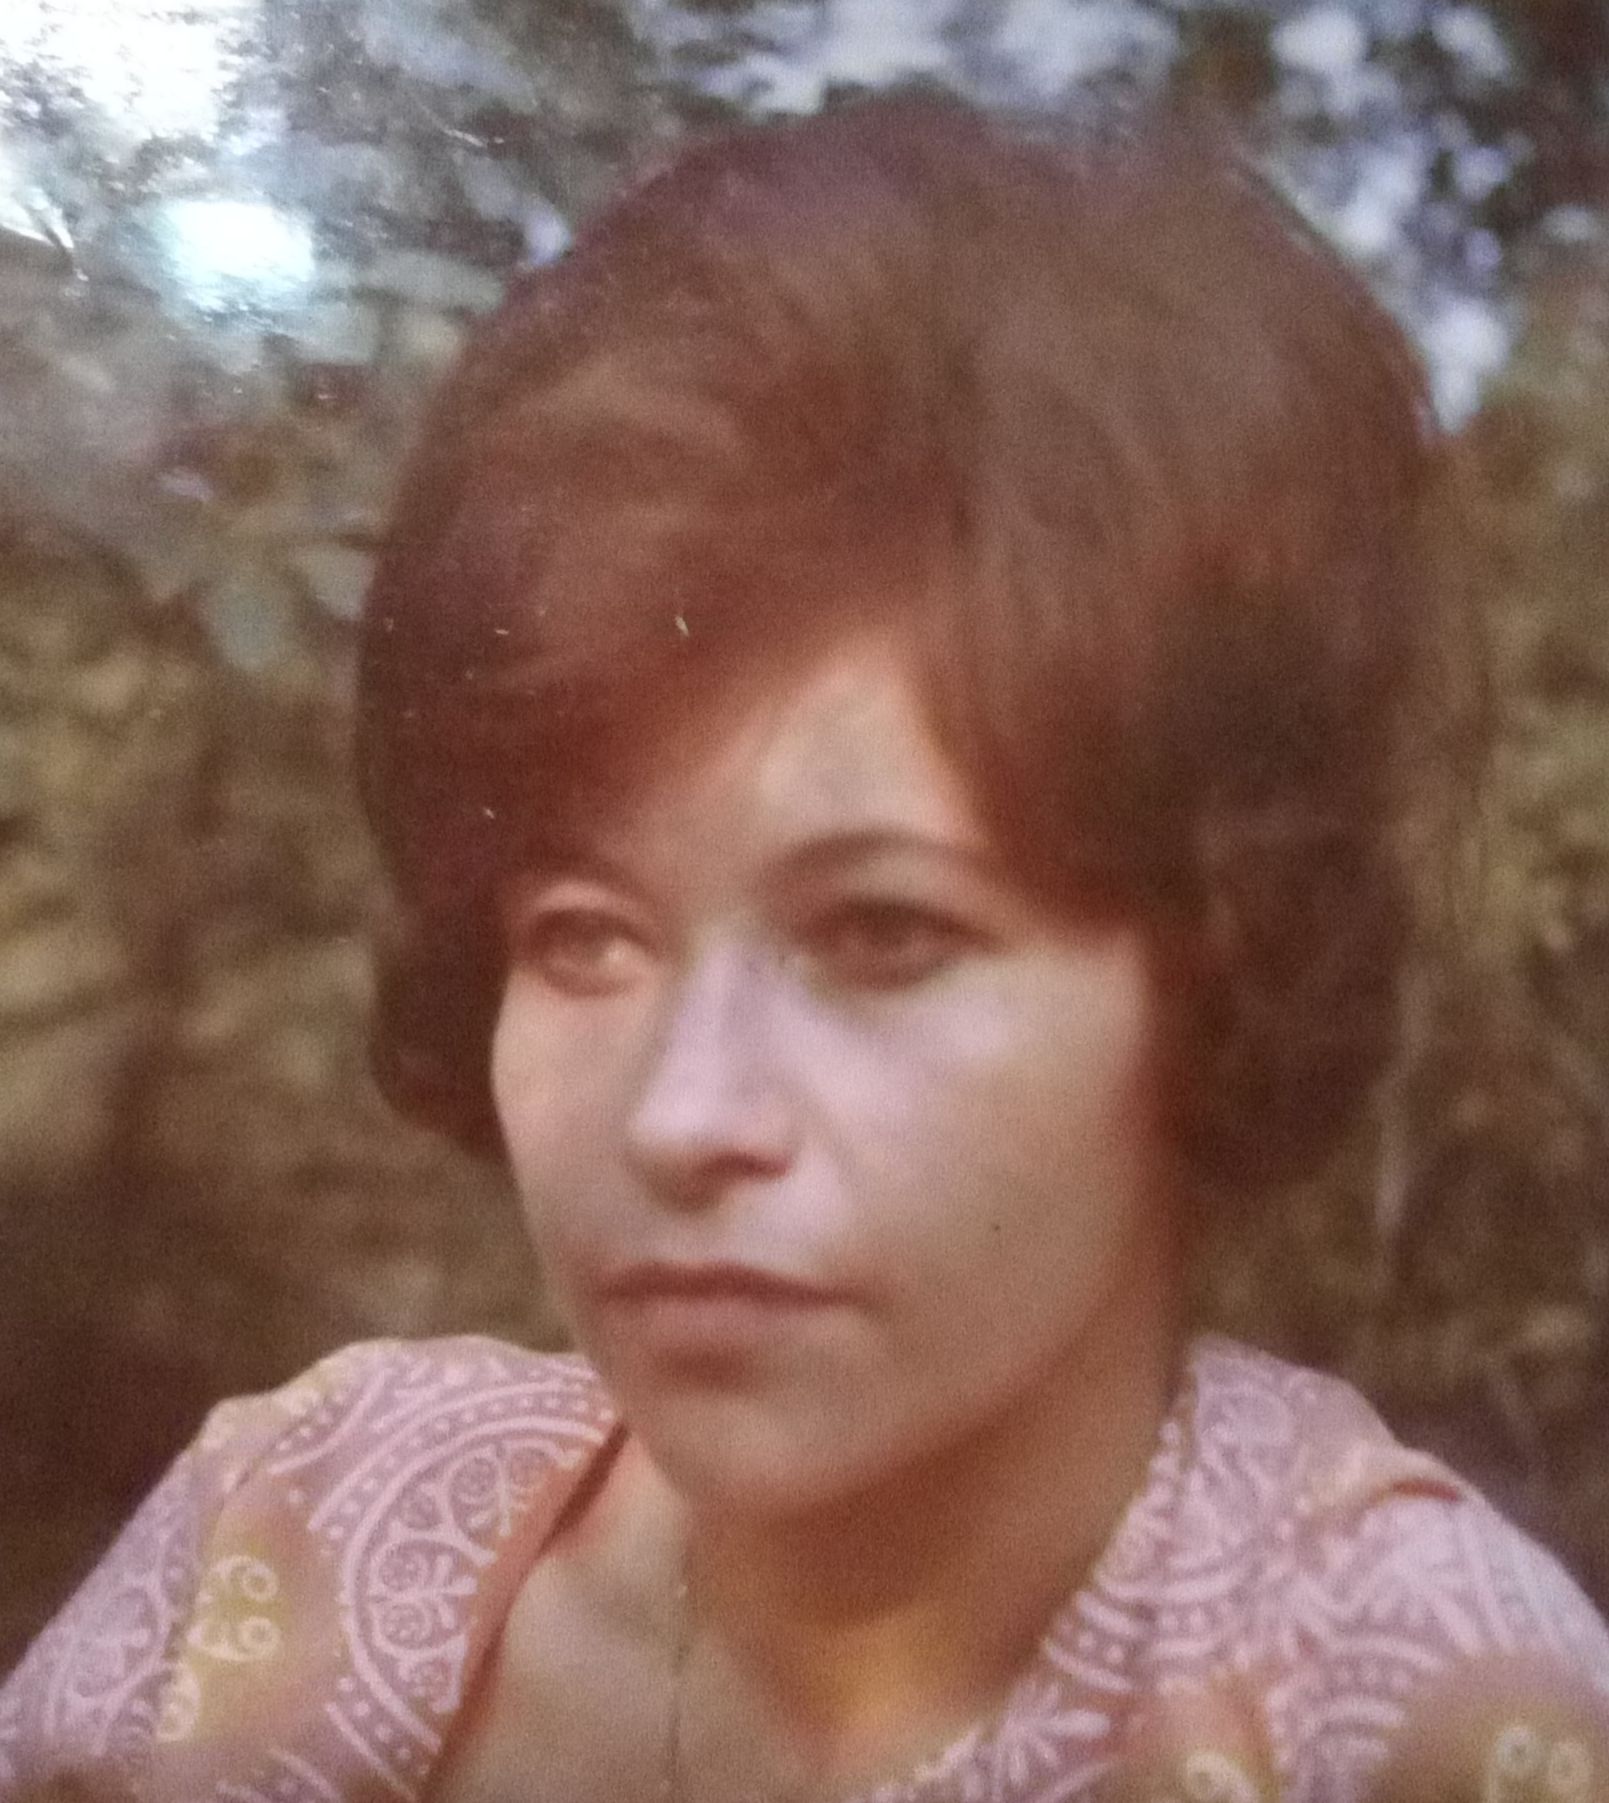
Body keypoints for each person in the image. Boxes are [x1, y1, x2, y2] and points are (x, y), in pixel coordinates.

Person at [3, 91, 1607, 1803]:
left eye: (883, 933)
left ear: (1216, 972)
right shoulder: (289, 1528)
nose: (681, 1118)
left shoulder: (1414, 1715)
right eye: (583, 936)